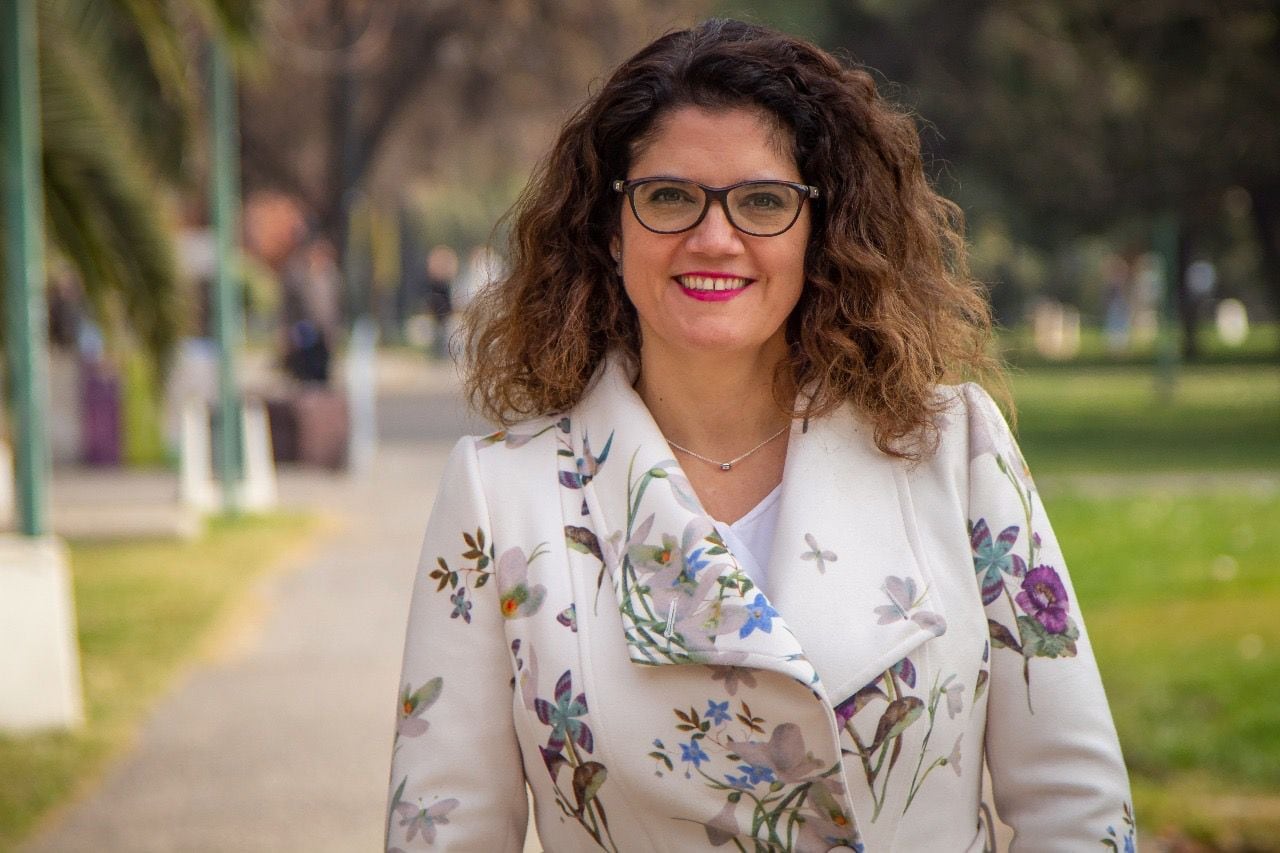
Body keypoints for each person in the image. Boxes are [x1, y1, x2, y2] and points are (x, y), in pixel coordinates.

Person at [387, 19, 1133, 853]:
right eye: (669, 196)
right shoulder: (500, 498)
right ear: (610, 226)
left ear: (820, 229)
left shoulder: (952, 448)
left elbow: (1078, 808)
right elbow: (443, 835)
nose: (714, 237)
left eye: (764, 201)